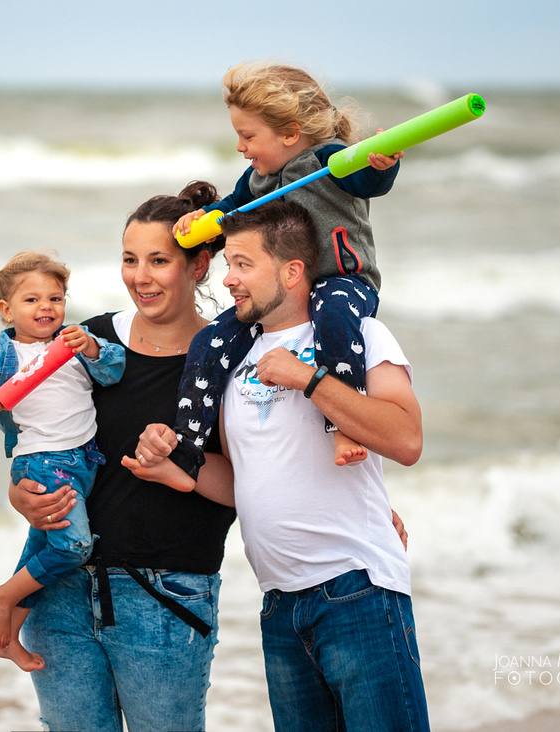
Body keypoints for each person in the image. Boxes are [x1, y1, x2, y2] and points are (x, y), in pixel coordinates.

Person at [6, 183, 408, 732]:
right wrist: (19, 493)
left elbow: (281, 465)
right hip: (71, 589)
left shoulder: (229, 360)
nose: (140, 277)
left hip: (173, 595)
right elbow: (33, 432)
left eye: (159, 261)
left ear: (198, 266)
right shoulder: (94, 342)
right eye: (129, 259)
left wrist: (365, 505)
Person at [133, 199, 429, 731]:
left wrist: (309, 379)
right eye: (228, 265)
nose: (229, 281)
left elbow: (407, 440)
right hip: (279, 607)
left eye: (243, 265)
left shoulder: (358, 335)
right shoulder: (232, 357)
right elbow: (246, 479)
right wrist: (178, 469)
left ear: (292, 272)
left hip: (357, 591)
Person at [169, 60, 404, 480]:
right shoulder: (257, 179)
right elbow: (231, 213)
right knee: (208, 342)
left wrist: (382, 163)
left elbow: (369, 180)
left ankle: (344, 427)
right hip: (279, 292)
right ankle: (187, 450)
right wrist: (200, 220)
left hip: (342, 281)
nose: (241, 147)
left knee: (332, 315)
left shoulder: (332, 160)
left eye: (248, 136)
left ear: (290, 133)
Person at [0, 249, 125, 672]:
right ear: (6, 310)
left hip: (85, 459)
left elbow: (114, 371)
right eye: (32, 300)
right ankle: (2, 597)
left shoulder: (73, 342)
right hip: (42, 461)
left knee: (42, 545)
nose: (46, 307)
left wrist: (94, 349)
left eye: (56, 298)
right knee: (75, 547)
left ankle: (6, 635)